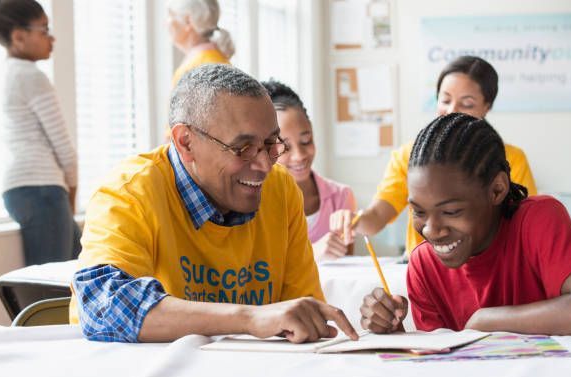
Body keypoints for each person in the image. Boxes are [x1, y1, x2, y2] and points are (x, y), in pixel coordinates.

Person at [71, 64, 358, 344]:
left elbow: (303, 311)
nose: (264, 165)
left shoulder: (281, 189)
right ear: (186, 142)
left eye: (271, 144)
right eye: (243, 149)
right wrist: (249, 318)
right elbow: (103, 305)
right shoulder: (130, 192)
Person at [360, 113, 571, 337]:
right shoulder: (424, 265)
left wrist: (486, 321)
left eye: (450, 211)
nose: (431, 230)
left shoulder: (538, 219)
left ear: (497, 189)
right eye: (419, 211)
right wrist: (394, 334)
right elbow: (435, 361)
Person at [331, 56, 537, 256]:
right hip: (425, 278)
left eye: (467, 104)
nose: (451, 110)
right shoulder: (410, 156)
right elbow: (377, 216)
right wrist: (355, 220)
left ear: (487, 106)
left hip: (488, 273)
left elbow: (523, 228)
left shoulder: (511, 159)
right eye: (445, 99)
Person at [0, 0, 81, 265]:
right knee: (51, 288)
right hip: (42, 190)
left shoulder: (5, 74)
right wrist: (70, 197)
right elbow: (64, 149)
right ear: (19, 36)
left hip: (19, 190)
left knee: (73, 274)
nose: (52, 38)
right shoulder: (31, 76)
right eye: (44, 30)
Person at [262, 79, 357, 262]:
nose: (299, 156)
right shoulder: (255, 202)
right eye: (285, 147)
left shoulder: (341, 196)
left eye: (306, 141)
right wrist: (311, 253)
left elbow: (347, 269)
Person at [167, 0, 234, 88]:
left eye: (171, 15)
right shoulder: (214, 57)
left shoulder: (195, 71)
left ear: (188, 21)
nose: (166, 23)